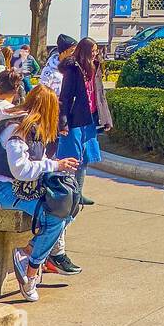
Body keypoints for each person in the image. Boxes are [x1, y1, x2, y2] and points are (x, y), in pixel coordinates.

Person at [0, 84, 81, 302]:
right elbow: (21, 169)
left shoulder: (31, 126)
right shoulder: (16, 129)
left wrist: (56, 165)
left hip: (23, 188)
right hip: (5, 190)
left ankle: (28, 251)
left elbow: (34, 163)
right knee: (55, 217)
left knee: (71, 205)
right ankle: (31, 269)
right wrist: (55, 166)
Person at [58, 37, 113, 222]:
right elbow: (64, 97)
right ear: (85, 51)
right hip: (75, 119)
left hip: (89, 118)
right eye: (93, 50)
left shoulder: (95, 67)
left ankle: (78, 193)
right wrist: (63, 123)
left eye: (97, 50)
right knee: (72, 158)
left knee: (85, 158)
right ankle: (69, 194)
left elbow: (100, 94)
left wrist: (106, 118)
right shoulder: (73, 70)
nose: (96, 53)